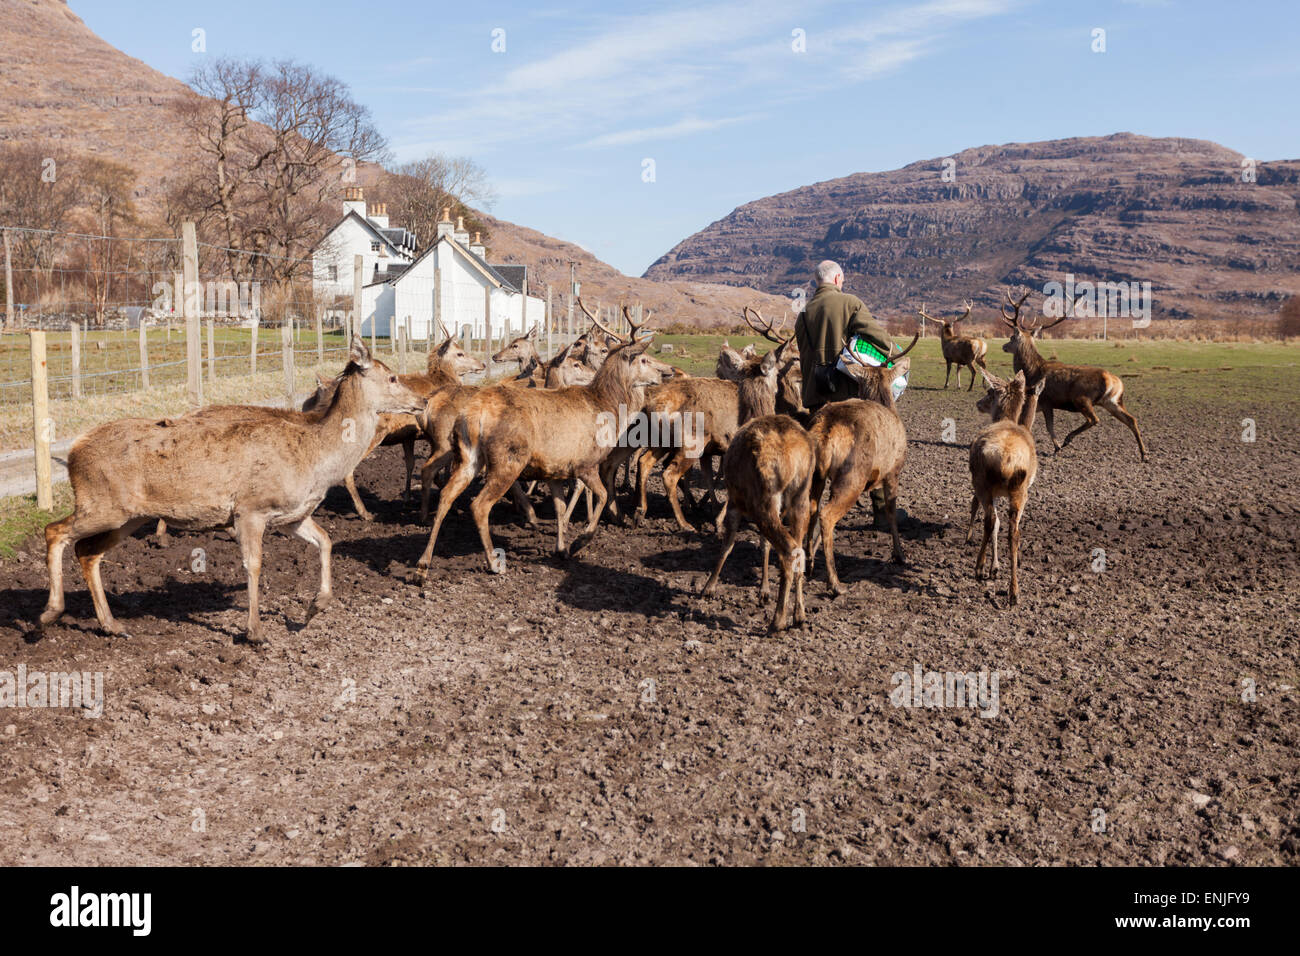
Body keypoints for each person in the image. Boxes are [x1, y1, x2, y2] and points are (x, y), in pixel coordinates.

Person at [793, 260, 908, 529]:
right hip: (849, 398)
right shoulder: (850, 303)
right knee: (873, 450)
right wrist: (898, 356)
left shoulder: (803, 314)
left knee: (818, 457)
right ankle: (882, 513)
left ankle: (806, 516)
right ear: (837, 279)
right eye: (842, 280)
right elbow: (877, 337)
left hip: (816, 397)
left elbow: (805, 354)